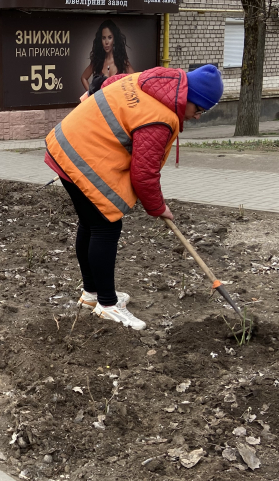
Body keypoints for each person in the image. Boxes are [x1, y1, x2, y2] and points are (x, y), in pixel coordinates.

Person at [45, 65, 224, 330]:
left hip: (65, 144)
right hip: (82, 156)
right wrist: (158, 208)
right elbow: (144, 174)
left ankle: (91, 295)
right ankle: (107, 305)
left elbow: (109, 84)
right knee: (106, 226)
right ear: (189, 97)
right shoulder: (160, 117)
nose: (197, 117)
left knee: (91, 223)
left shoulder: (148, 80)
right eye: (199, 110)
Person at [81, 20, 134, 93]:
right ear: (100, 40)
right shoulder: (98, 61)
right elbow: (84, 78)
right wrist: (92, 96)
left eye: (109, 37)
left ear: (114, 40)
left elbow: (134, 79)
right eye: (103, 38)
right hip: (102, 103)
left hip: (117, 103)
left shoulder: (121, 61)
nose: (106, 42)